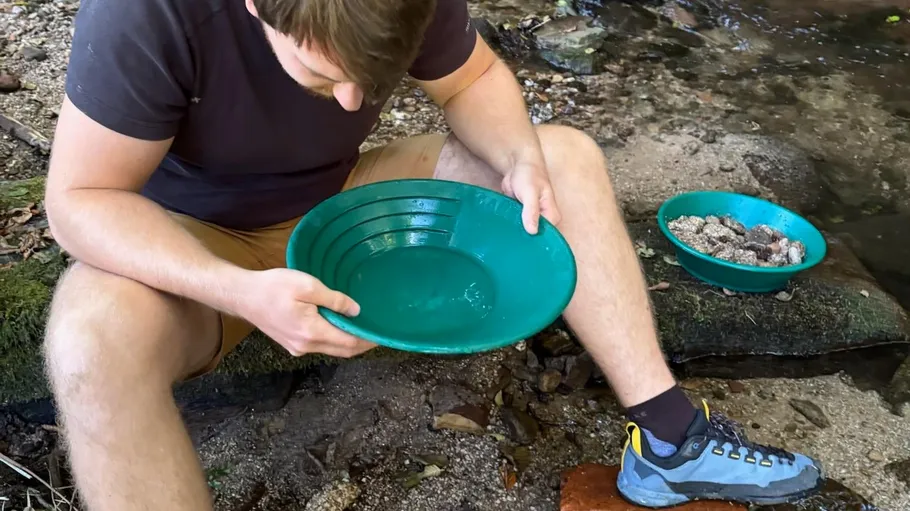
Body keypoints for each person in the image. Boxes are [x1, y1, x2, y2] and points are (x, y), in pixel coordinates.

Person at [41, 0, 824, 508]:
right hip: (203, 241)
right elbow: (78, 202)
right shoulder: (145, 16)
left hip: (348, 201)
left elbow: (471, 77)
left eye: (370, 81)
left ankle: (668, 439)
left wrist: (517, 157)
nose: (353, 102)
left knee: (565, 158)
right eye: (322, 73)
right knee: (88, 338)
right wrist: (236, 290)